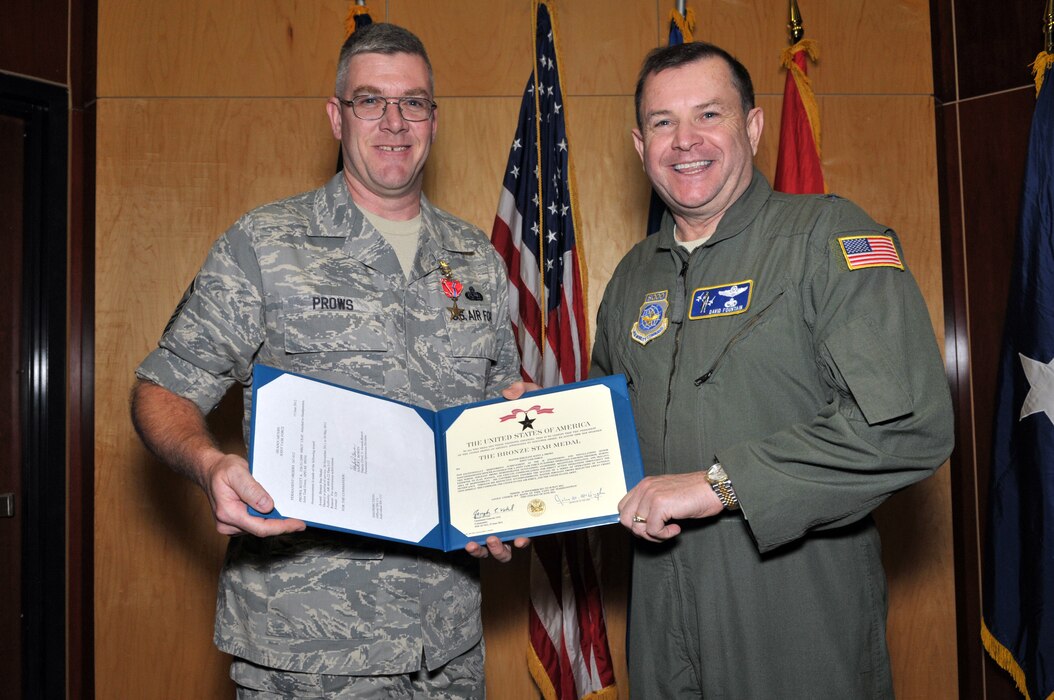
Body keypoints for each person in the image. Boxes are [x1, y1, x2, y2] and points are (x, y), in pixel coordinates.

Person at [131, 23, 527, 699]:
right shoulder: (265, 245)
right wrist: (210, 464)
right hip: (307, 653)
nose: (394, 122)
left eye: (414, 103)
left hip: (446, 646)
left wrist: (514, 487)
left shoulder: (476, 259)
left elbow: (500, 404)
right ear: (336, 116)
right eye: (371, 101)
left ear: (435, 117)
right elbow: (162, 389)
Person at [591, 41, 954, 698]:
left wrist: (723, 485)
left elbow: (908, 427)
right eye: (662, 122)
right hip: (659, 617)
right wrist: (525, 433)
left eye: (709, 114)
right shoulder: (632, 277)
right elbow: (606, 436)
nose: (684, 141)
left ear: (753, 127)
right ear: (640, 147)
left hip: (793, 614)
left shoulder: (826, 239)